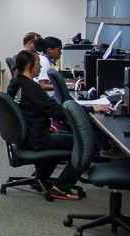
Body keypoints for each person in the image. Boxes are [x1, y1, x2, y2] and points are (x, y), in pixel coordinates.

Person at [7, 49, 79, 200]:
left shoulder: (15, 83)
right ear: (28, 66)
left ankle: (40, 177)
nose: (40, 67)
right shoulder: (31, 88)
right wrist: (89, 109)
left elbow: (25, 111)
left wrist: (44, 125)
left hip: (27, 135)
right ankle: (61, 187)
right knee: (83, 143)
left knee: (62, 137)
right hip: (36, 139)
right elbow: (56, 110)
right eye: (38, 64)